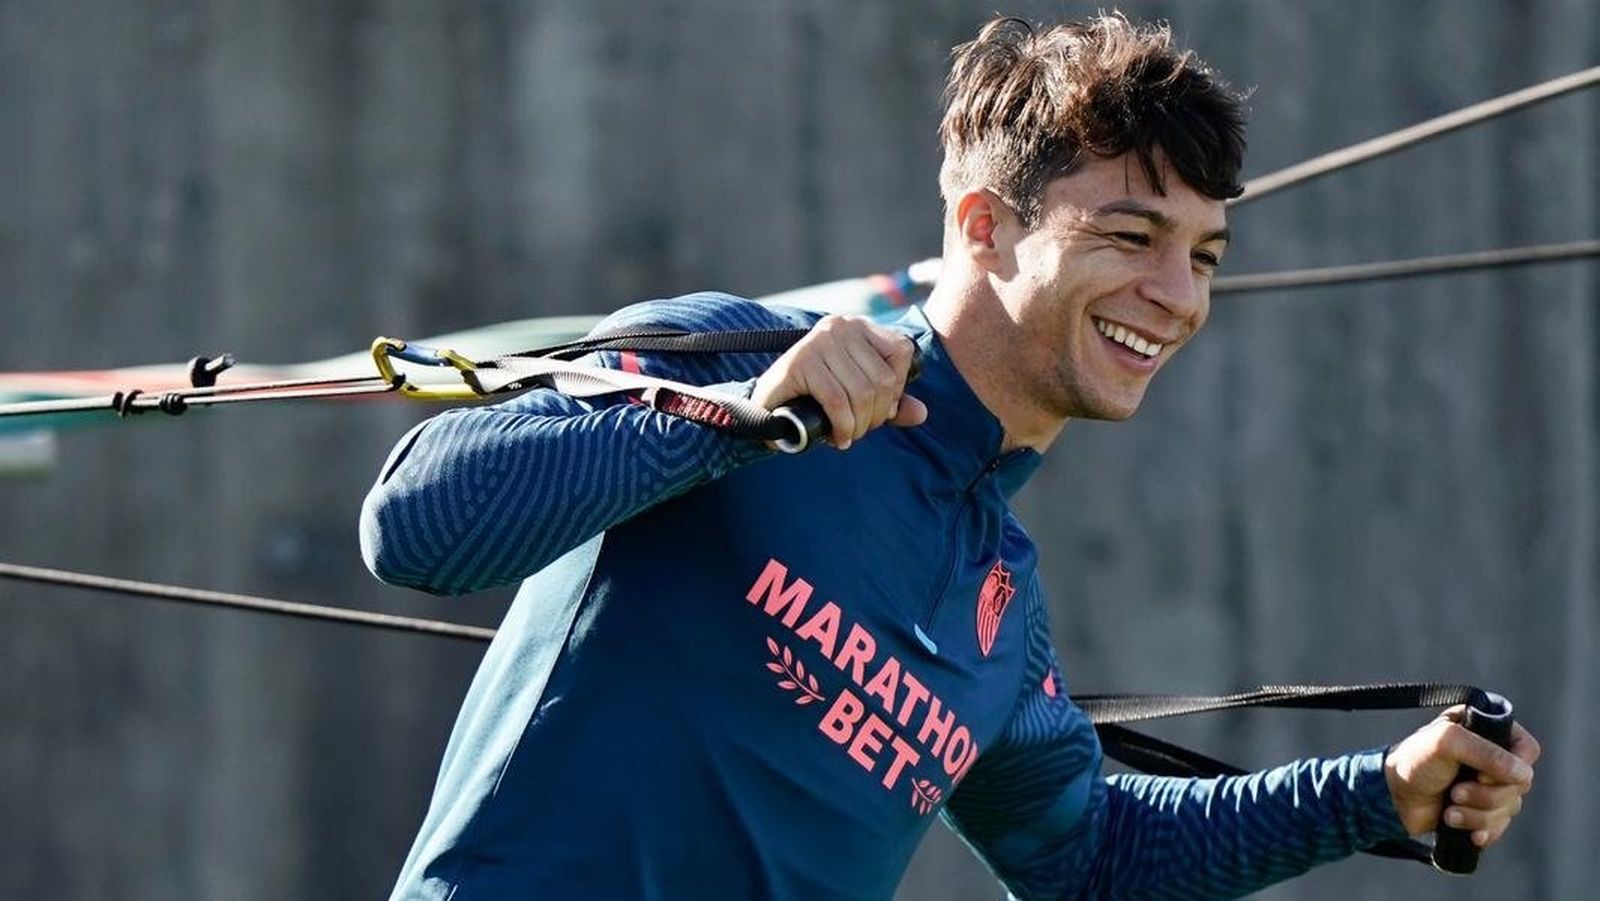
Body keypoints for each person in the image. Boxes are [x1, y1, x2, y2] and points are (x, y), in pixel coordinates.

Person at [360, 14, 1538, 900]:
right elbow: (415, 526)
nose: (1176, 297)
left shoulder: (1001, 612)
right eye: (1130, 236)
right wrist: (734, 422)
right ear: (984, 225)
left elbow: (1088, 858)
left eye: (1205, 256)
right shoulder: (732, 361)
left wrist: (1375, 791)